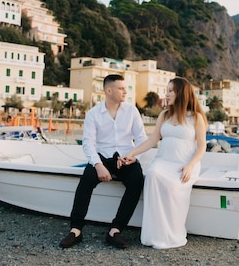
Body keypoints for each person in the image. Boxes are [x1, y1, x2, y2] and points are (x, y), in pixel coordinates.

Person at [59, 74, 148, 249]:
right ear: (109, 91)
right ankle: (76, 230)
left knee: (137, 181)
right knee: (86, 181)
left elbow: (142, 139)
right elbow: (88, 143)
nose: (125, 91)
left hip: (126, 157)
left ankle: (115, 230)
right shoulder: (93, 114)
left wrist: (133, 156)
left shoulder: (132, 111)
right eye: (121, 88)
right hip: (102, 157)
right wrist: (98, 165)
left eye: (125, 88)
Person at [119, 77, 207, 249]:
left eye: (170, 90)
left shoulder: (196, 117)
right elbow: (152, 140)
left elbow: (202, 147)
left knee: (173, 186)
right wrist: (132, 153)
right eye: (167, 90)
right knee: (152, 175)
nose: (166, 94)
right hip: (163, 161)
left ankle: (172, 234)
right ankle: (155, 235)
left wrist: (190, 165)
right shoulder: (164, 115)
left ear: (181, 93)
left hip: (185, 163)